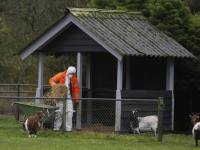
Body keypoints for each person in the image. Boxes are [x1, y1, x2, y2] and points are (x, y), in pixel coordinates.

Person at [49, 66, 79, 132]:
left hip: (69, 98)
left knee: (69, 113)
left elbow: (76, 90)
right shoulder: (61, 75)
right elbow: (51, 80)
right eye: (70, 74)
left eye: (72, 74)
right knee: (59, 113)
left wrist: (77, 100)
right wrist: (56, 87)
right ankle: (56, 128)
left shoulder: (74, 79)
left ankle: (68, 129)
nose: (71, 75)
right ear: (67, 72)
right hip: (60, 97)